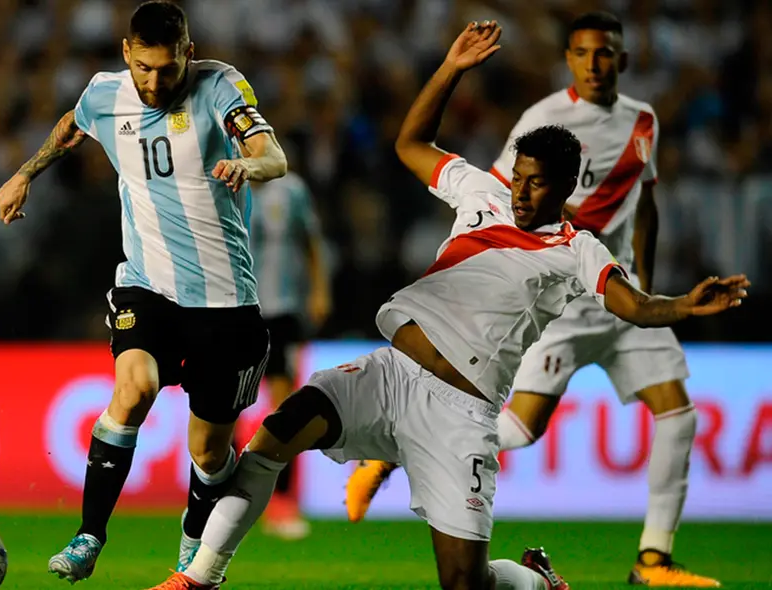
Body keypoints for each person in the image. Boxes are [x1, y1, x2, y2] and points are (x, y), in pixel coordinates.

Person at [145, 21, 748, 590]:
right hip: (389, 374)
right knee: (272, 437)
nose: (520, 190)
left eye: (537, 183)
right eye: (519, 176)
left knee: (465, 583)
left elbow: (634, 307)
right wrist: (451, 66)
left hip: (460, 417)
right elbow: (411, 142)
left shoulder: (577, 249)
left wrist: (685, 306)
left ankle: (536, 578)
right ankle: (199, 578)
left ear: (567, 188)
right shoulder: (482, 191)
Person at [346, 12, 721, 586]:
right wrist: (557, 249)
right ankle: (400, 447)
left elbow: (644, 201)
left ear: (623, 59)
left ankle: (653, 558)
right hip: (567, 294)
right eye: (583, 53)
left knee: (678, 413)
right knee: (522, 428)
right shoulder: (544, 119)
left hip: (619, 289)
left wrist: (643, 272)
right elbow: (503, 195)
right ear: (568, 58)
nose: (595, 64)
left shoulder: (644, 121)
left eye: (606, 54)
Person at [0, 1, 287, 582]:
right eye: (144, 69)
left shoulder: (220, 86)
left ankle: (193, 537)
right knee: (135, 387)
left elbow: (270, 153)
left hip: (226, 300)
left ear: (189, 53)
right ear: (127, 53)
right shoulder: (105, 94)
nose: (155, 83)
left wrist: (249, 168)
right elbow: (71, 128)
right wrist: (26, 172)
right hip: (147, 285)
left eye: (168, 69)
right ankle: (88, 534)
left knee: (208, 452)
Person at [249, 171, 331, 540]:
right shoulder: (220, 182)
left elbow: (311, 241)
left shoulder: (291, 189)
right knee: (228, 408)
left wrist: (319, 290)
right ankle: (221, 499)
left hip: (282, 309)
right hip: (237, 308)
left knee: (283, 407)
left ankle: (281, 502)